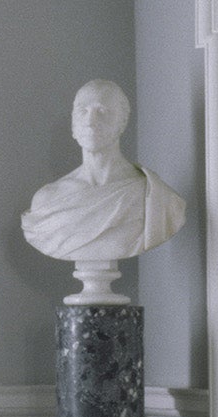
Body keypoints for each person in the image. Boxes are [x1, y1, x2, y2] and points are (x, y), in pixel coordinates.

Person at [20, 80, 187, 304]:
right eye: (83, 111)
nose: (91, 121)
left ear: (122, 121)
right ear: (73, 123)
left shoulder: (153, 196)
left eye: (102, 111)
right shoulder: (46, 202)